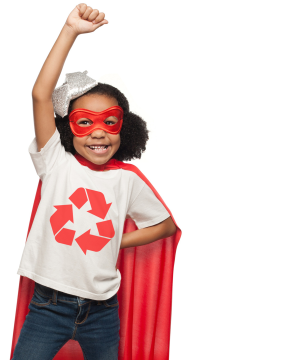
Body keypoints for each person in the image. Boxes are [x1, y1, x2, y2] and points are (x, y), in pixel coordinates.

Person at [10, 4, 182, 360]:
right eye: (85, 122)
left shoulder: (126, 179)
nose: (99, 132)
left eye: (110, 122)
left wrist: (119, 237)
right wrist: (70, 30)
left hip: (103, 311)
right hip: (49, 307)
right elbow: (40, 95)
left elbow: (165, 226)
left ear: (125, 127)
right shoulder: (55, 161)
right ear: (66, 128)